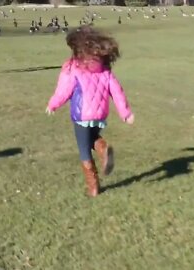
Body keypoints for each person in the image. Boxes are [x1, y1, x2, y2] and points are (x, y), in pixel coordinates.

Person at [46, 26, 134, 197]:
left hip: (81, 115)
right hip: (100, 115)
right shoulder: (105, 71)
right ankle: (103, 149)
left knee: (84, 149)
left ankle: (93, 187)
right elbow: (117, 92)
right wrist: (126, 113)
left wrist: (53, 104)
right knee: (92, 138)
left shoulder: (75, 68)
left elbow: (64, 90)